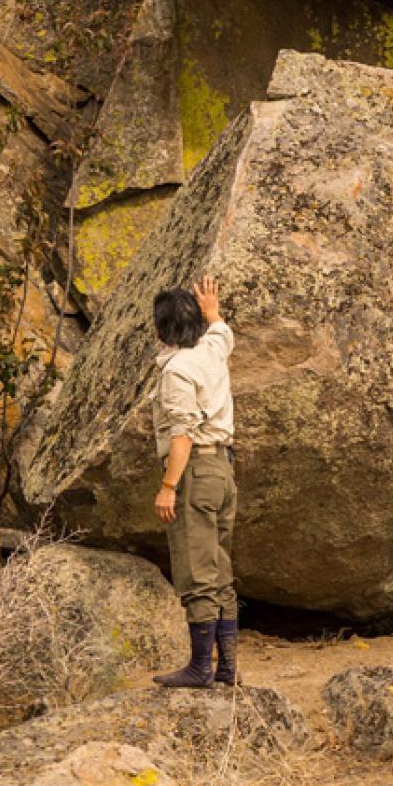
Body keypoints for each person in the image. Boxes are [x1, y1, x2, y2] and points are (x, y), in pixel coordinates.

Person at [150, 274, 237, 689]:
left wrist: (169, 485)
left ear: (159, 331)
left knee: (197, 569)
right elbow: (222, 334)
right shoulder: (211, 352)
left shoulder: (177, 371)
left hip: (196, 472)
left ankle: (201, 668)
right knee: (219, 568)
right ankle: (227, 667)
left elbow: (180, 434)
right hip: (223, 471)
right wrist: (213, 313)